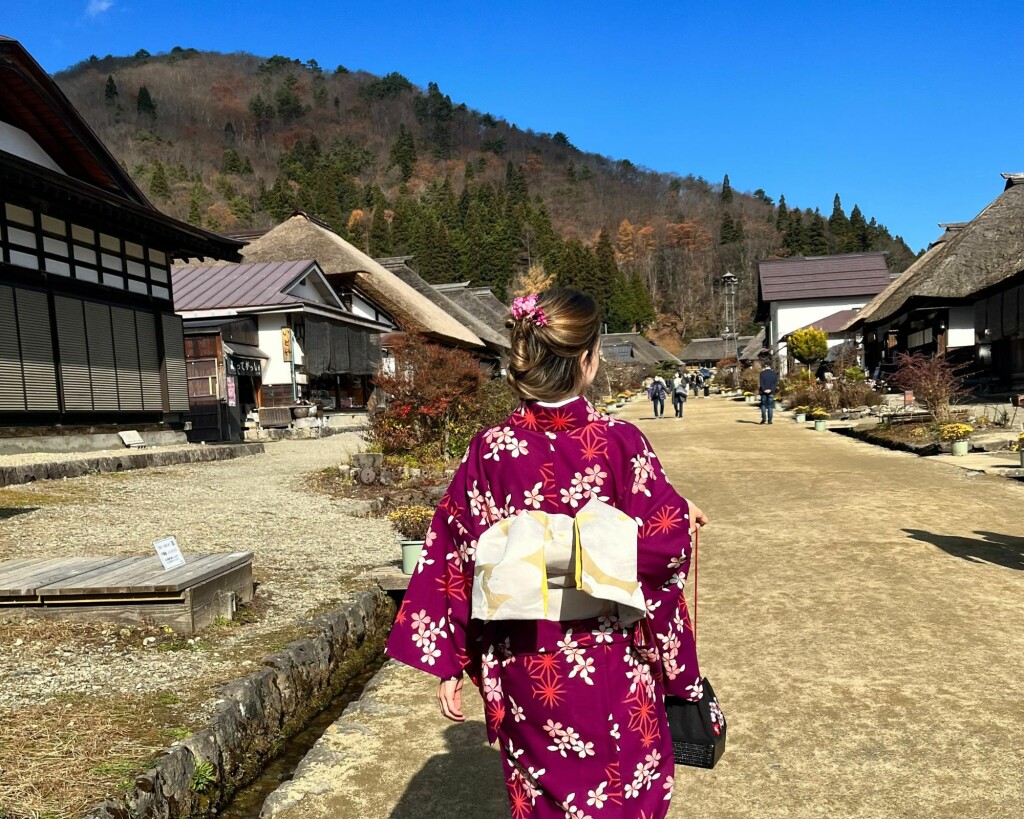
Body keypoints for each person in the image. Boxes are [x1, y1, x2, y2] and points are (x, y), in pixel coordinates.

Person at [385, 288, 709, 819]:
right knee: (624, 787)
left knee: (543, 799)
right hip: (610, 654)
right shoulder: (621, 441)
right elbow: (664, 549)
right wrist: (666, 523)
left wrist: (451, 660)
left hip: (529, 660)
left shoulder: (489, 449)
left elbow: (454, 553)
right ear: (587, 360)